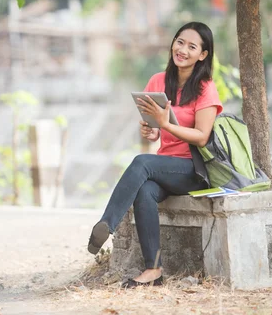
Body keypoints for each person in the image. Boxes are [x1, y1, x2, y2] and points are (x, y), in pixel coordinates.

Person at [87, 22, 223, 288]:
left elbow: (202, 136)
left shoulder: (206, 88)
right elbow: (158, 130)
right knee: (145, 191)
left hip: (193, 170)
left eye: (192, 46)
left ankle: (107, 223)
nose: (182, 49)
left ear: (203, 55)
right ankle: (153, 269)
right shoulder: (158, 81)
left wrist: (168, 124)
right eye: (179, 41)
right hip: (165, 165)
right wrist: (153, 131)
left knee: (142, 162)